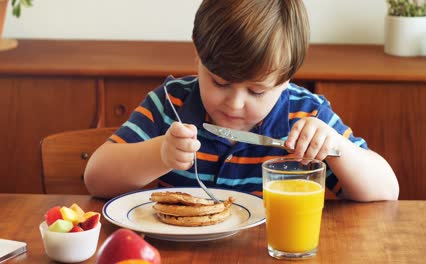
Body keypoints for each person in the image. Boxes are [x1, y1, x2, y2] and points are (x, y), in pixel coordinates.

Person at [84, 0, 399, 201]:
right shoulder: (170, 104)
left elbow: (387, 191)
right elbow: (96, 179)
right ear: (197, 52)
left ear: (288, 76)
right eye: (219, 82)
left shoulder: (306, 115)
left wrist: (336, 149)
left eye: (257, 91)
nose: (234, 104)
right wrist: (161, 154)